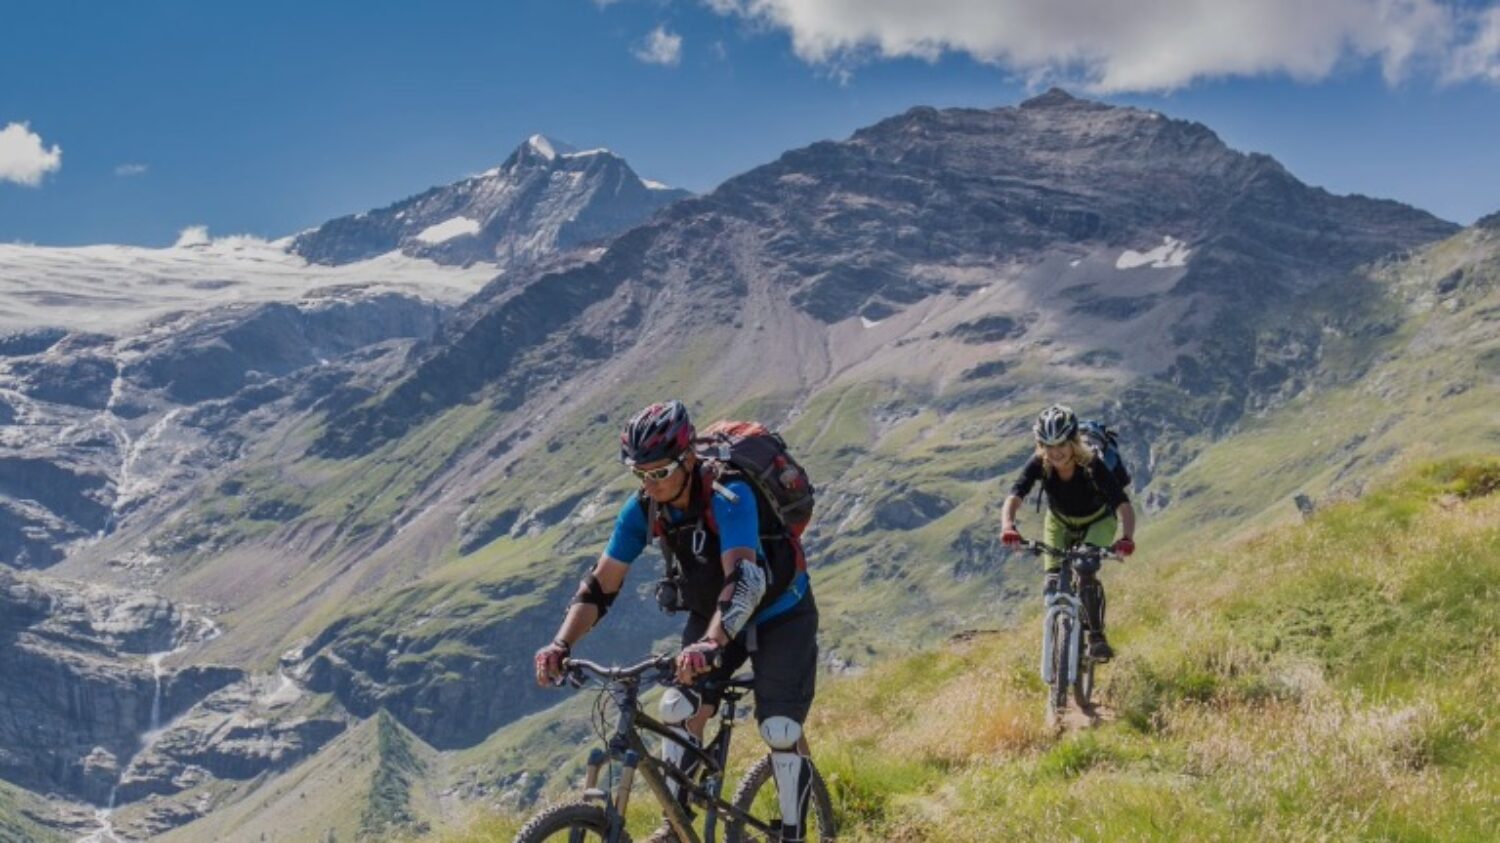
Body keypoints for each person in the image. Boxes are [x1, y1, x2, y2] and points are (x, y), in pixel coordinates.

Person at [534, 400, 819, 842]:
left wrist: (710, 644)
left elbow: (745, 579)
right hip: (712, 614)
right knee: (677, 707)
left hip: (781, 609)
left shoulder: (730, 494)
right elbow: (601, 584)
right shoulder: (644, 507)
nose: (651, 484)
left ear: (688, 459)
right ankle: (677, 825)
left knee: (779, 728)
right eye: (641, 474)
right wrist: (561, 644)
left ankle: (795, 834)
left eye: (661, 472)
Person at [999, 405, 1136, 661]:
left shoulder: (1092, 464)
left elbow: (1122, 504)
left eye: (1061, 444)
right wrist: (1008, 525)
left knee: (1085, 569)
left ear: (1073, 441)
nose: (1055, 452)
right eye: (1048, 445)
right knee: (1052, 580)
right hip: (1059, 522)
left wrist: (1127, 537)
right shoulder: (1040, 462)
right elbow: (1015, 495)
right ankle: (1059, 641)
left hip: (1098, 521)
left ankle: (1096, 638)